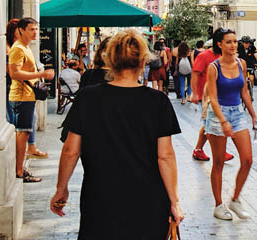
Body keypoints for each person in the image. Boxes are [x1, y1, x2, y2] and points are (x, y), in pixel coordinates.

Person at [50, 30, 183, 238]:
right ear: (143, 62)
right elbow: (165, 156)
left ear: (110, 60)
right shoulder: (158, 102)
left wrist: (61, 188)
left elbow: (70, 150)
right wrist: (174, 201)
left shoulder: (88, 98)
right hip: (148, 199)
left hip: (100, 198)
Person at [205, 28, 257, 221]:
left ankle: (235, 199)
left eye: (234, 41)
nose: (233, 45)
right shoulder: (214, 67)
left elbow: (244, 91)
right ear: (220, 44)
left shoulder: (241, 63)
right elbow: (212, 97)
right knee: (219, 162)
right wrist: (223, 122)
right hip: (217, 115)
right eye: (228, 42)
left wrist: (254, 116)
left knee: (247, 159)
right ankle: (218, 205)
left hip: (237, 113)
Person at [7, 17, 55, 182]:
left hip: (27, 96)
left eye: (36, 29)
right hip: (21, 96)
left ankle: (20, 168)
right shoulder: (18, 49)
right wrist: (41, 74)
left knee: (25, 132)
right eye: (31, 29)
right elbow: (14, 73)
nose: (35, 32)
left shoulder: (25, 48)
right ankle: (19, 171)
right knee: (23, 132)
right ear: (21, 30)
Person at [191, 35, 234, 163]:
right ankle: (218, 151)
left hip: (220, 97)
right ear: (219, 43)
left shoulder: (226, 57)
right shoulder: (204, 56)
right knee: (210, 124)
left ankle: (199, 150)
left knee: (210, 124)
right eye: (228, 42)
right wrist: (194, 93)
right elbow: (195, 73)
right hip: (205, 97)